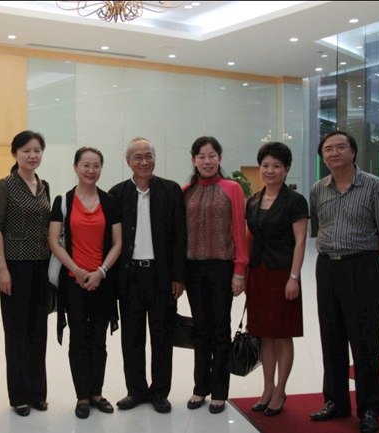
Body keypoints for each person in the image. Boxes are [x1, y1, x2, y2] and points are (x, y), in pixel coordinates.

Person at [309, 131, 379, 433]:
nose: (334, 153)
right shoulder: (318, 189)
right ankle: (335, 402)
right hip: (327, 268)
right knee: (331, 337)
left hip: (362, 268)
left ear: (353, 152)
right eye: (328, 149)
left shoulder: (374, 187)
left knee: (365, 340)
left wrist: (361, 260)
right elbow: (319, 227)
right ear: (323, 156)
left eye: (340, 147)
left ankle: (370, 408)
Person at [108, 137, 186, 413]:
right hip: (129, 277)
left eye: (149, 156)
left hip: (162, 276)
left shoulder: (171, 190)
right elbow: (110, 240)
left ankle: (160, 392)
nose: (144, 161)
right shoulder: (116, 194)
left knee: (162, 336)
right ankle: (136, 390)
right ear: (128, 161)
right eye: (138, 157)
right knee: (132, 337)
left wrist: (179, 277)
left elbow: (180, 236)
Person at [49, 147, 122, 420]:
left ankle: (96, 393)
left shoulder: (110, 201)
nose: (91, 170)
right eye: (86, 165)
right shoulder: (63, 201)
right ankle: (82, 395)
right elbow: (53, 241)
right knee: (78, 338)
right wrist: (76, 270)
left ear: (101, 168)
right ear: (75, 167)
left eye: (96, 165)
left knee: (99, 339)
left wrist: (101, 271)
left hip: (102, 282)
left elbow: (118, 243)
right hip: (73, 282)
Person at [182, 136, 248, 414]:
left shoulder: (232, 188)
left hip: (223, 268)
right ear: (194, 160)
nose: (207, 161)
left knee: (221, 329)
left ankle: (220, 390)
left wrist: (240, 271)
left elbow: (239, 232)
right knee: (200, 329)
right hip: (193, 270)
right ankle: (200, 387)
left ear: (219, 158)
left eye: (212, 156)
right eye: (201, 156)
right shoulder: (185, 191)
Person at [0, 131, 50, 417]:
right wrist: (1, 268)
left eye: (37, 150)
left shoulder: (44, 186)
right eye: (26, 150)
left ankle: (38, 393)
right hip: (14, 267)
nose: (32, 155)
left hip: (42, 268)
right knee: (16, 334)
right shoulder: (5, 186)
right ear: (15, 154)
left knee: (39, 332)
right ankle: (20, 396)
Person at [245, 142, 308, 416]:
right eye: (265, 165)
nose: (270, 171)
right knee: (264, 334)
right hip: (258, 273)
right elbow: (249, 239)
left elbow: (301, 241)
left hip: (283, 273)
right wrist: (243, 274)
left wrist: (294, 277)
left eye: (276, 166)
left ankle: (281, 390)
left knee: (282, 334)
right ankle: (267, 387)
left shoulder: (295, 201)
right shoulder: (253, 200)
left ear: (287, 169)